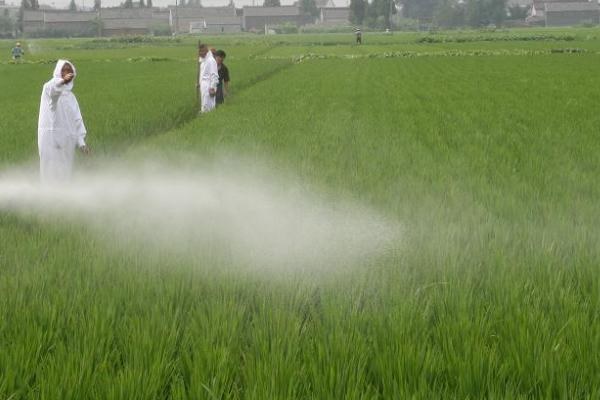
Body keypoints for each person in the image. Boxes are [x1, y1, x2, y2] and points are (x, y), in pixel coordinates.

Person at [38, 60, 89, 183]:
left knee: (65, 169)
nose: (67, 73)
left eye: (70, 70)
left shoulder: (71, 97)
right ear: (58, 72)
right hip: (51, 138)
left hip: (68, 139)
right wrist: (62, 82)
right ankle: (48, 196)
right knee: (50, 169)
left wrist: (81, 142)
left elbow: (77, 120)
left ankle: (63, 196)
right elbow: (53, 91)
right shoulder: (48, 89)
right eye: (64, 70)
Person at [197, 42, 218, 113]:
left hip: (208, 89)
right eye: (199, 51)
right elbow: (203, 75)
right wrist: (199, 84)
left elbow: (214, 75)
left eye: (202, 51)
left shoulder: (211, 60)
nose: (200, 53)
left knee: (208, 107)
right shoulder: (203, 61)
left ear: (206, 51)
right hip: (203, 88)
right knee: (204, 106)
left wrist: (212, 88)